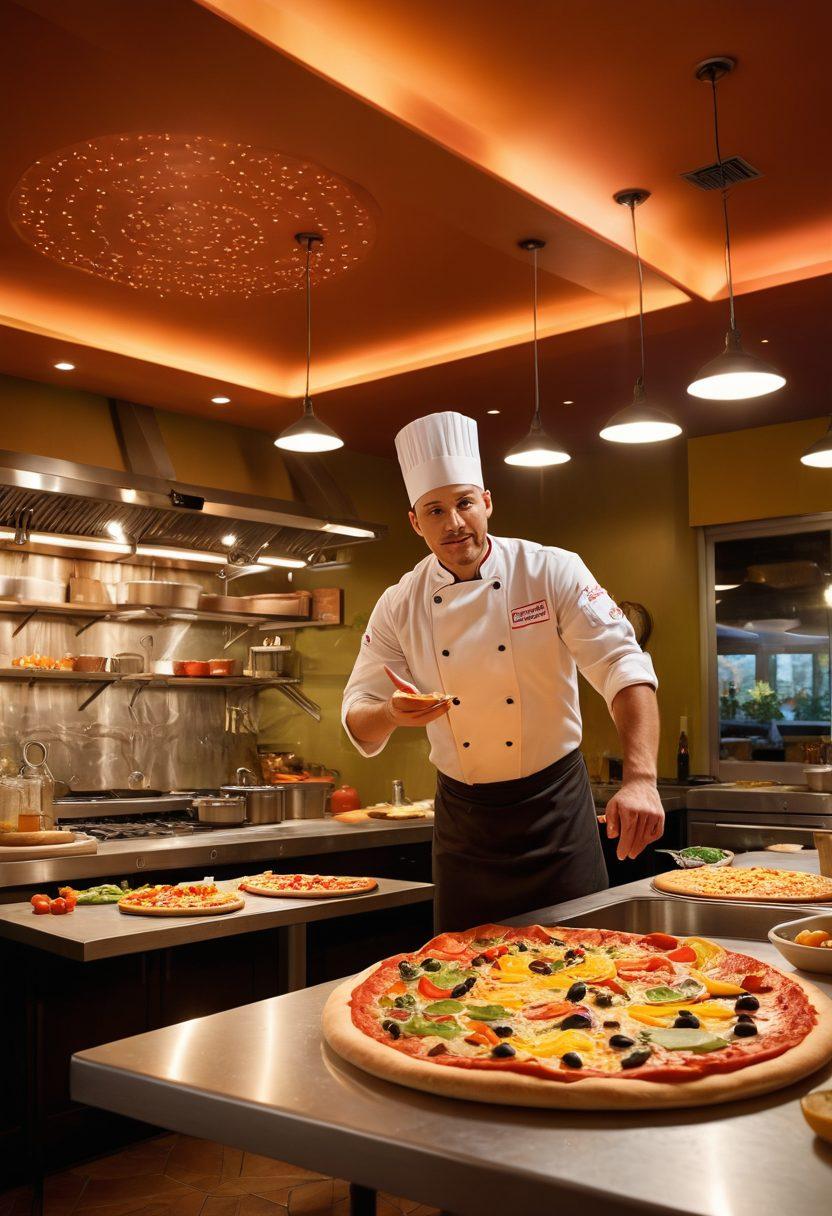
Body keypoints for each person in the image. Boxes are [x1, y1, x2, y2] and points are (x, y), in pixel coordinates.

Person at [342, 411, 663, 931]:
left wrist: (642, 779)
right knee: (457, 983)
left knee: (584, 971)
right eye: (435, 510)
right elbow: (358, 716)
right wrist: (392, 713)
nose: (454, 523)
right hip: (465, 825)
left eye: (465, 503)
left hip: (555, 810)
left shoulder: (550, 570)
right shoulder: (398, 603)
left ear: (487, 502)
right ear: (414, 522)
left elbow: (622, 665)